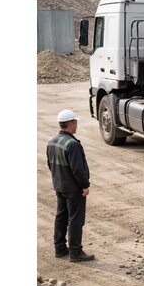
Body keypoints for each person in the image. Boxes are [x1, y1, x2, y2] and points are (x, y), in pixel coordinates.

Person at [46, 110, 95, 262]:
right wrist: (84, 185)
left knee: (61, 217)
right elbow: (77, 169)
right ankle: (75, 252)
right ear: (71, 123)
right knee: (75, 220)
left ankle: (60, 249)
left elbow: (50, 164)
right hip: (74, 189)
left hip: (60, 186)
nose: (77, 126)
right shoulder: (72, 144)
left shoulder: (52, 141)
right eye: (76, 123)